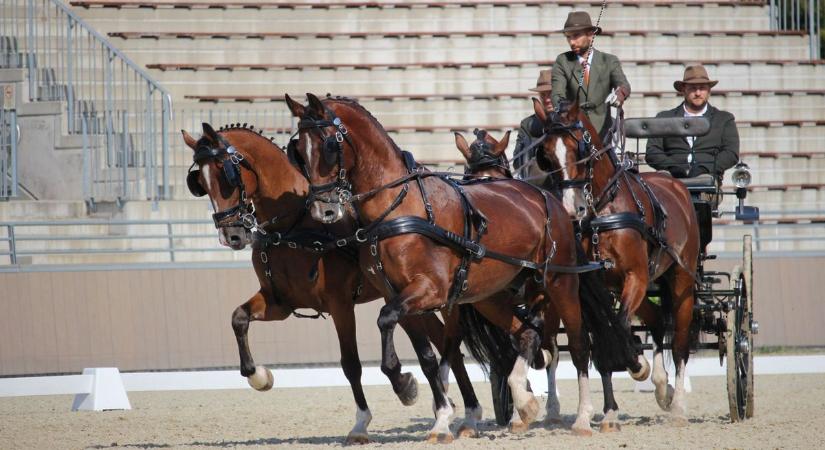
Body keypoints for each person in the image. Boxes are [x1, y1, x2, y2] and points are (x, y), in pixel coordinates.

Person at [645, 65, 740, 183]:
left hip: (707, 179)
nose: (698, 93)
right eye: (693, 88)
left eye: (702, 88)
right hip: (671, 180)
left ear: (709, 91)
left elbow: (731, 153)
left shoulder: (724, 119)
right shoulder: (664, 118)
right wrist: (671, 167)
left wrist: (706, 167)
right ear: (684, 90)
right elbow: (652, 151)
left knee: (705, 184)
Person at [551, 11, 631, 138]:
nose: (571, 42)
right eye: (568, 37)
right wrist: (566, 110)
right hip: (574, 132)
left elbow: (623, 84)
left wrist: (619, 94)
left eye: (576, 36)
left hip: (603, 133)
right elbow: (557, 95)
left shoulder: (609, 61)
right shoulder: (562, 61)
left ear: (590, 34)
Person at [512, 70, 557, 191]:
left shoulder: (572, 121)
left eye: (550, 93)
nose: (547, 99)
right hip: (539, 186)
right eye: (543, 95)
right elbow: (518, 161)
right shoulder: (527, 124)